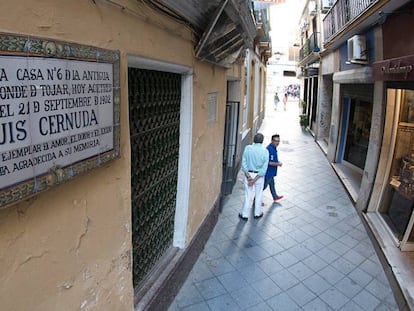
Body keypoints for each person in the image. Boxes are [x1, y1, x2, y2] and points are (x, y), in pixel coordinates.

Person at [239, 133, 269, 220]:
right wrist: (254, 180)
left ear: (254, 140)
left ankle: (244, 214)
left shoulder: (248, 148)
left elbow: (244, 163)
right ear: (262, 141)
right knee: (259, 194)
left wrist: (249, 178)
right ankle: (257, 213)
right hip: (258, 177)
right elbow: (264, 169)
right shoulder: (265, 151)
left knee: (248, 194)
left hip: (248, 174)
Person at [263, 134, 283, 203]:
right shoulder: (269, 149)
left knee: (272, 184)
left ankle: (275, 196)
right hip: (268, 173)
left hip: (271, 172)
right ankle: (256, 200)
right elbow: (268, 162)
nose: (277, 143)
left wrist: (277, 162)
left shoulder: (273, 148)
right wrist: (278, 164)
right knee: (263, 187)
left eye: (278, 141)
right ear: (271, 141)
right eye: (275, 141)